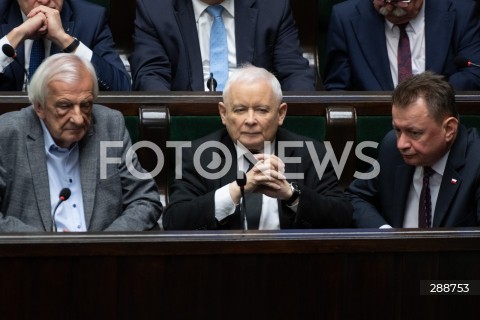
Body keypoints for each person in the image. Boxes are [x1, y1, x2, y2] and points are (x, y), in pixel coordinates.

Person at [163, 65, 352, 230]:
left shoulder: (310, 153)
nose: (251, 120)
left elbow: (343, 218)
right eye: (240, 110)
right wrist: (236, 191)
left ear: (280, 113)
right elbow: (174, 221)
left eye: (262, 110)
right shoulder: (198, 155)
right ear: (223, 113)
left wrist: (291, 194)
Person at [0, 53, 162, 232]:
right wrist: (46, 246)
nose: (78, 119)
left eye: (85, 105)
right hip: (32, 258)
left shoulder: (110, 125)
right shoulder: (8, 133)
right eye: (65, 106)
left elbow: (145, 199)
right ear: (39, 107)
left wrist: (99, 246)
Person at [346, 71, 480, 228]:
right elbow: (355, 197)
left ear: (449, 129)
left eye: (414, 133)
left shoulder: (476, 162)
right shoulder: (391, 148)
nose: (401, 144)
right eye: (397, 130)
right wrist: (385, 234)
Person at [129, 0, 316, 92]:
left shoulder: (272, 7)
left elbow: (295, 73)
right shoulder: (156, 9)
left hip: (256, 120)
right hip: (189, 118)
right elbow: (150, 77)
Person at [323, 0, 480, 91]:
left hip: (439, 124)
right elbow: (337, 88)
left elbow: (474, 73)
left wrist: (427, 100)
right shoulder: (345, 18)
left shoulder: (461, 13)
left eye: (398, 1)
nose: (389, 7)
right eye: (384, 1)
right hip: (375, 126)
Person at [0, 0, 131, 91]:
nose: (45, 1)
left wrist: (65, 40)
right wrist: (16, 36)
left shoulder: (91, 18)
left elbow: (122, 88)